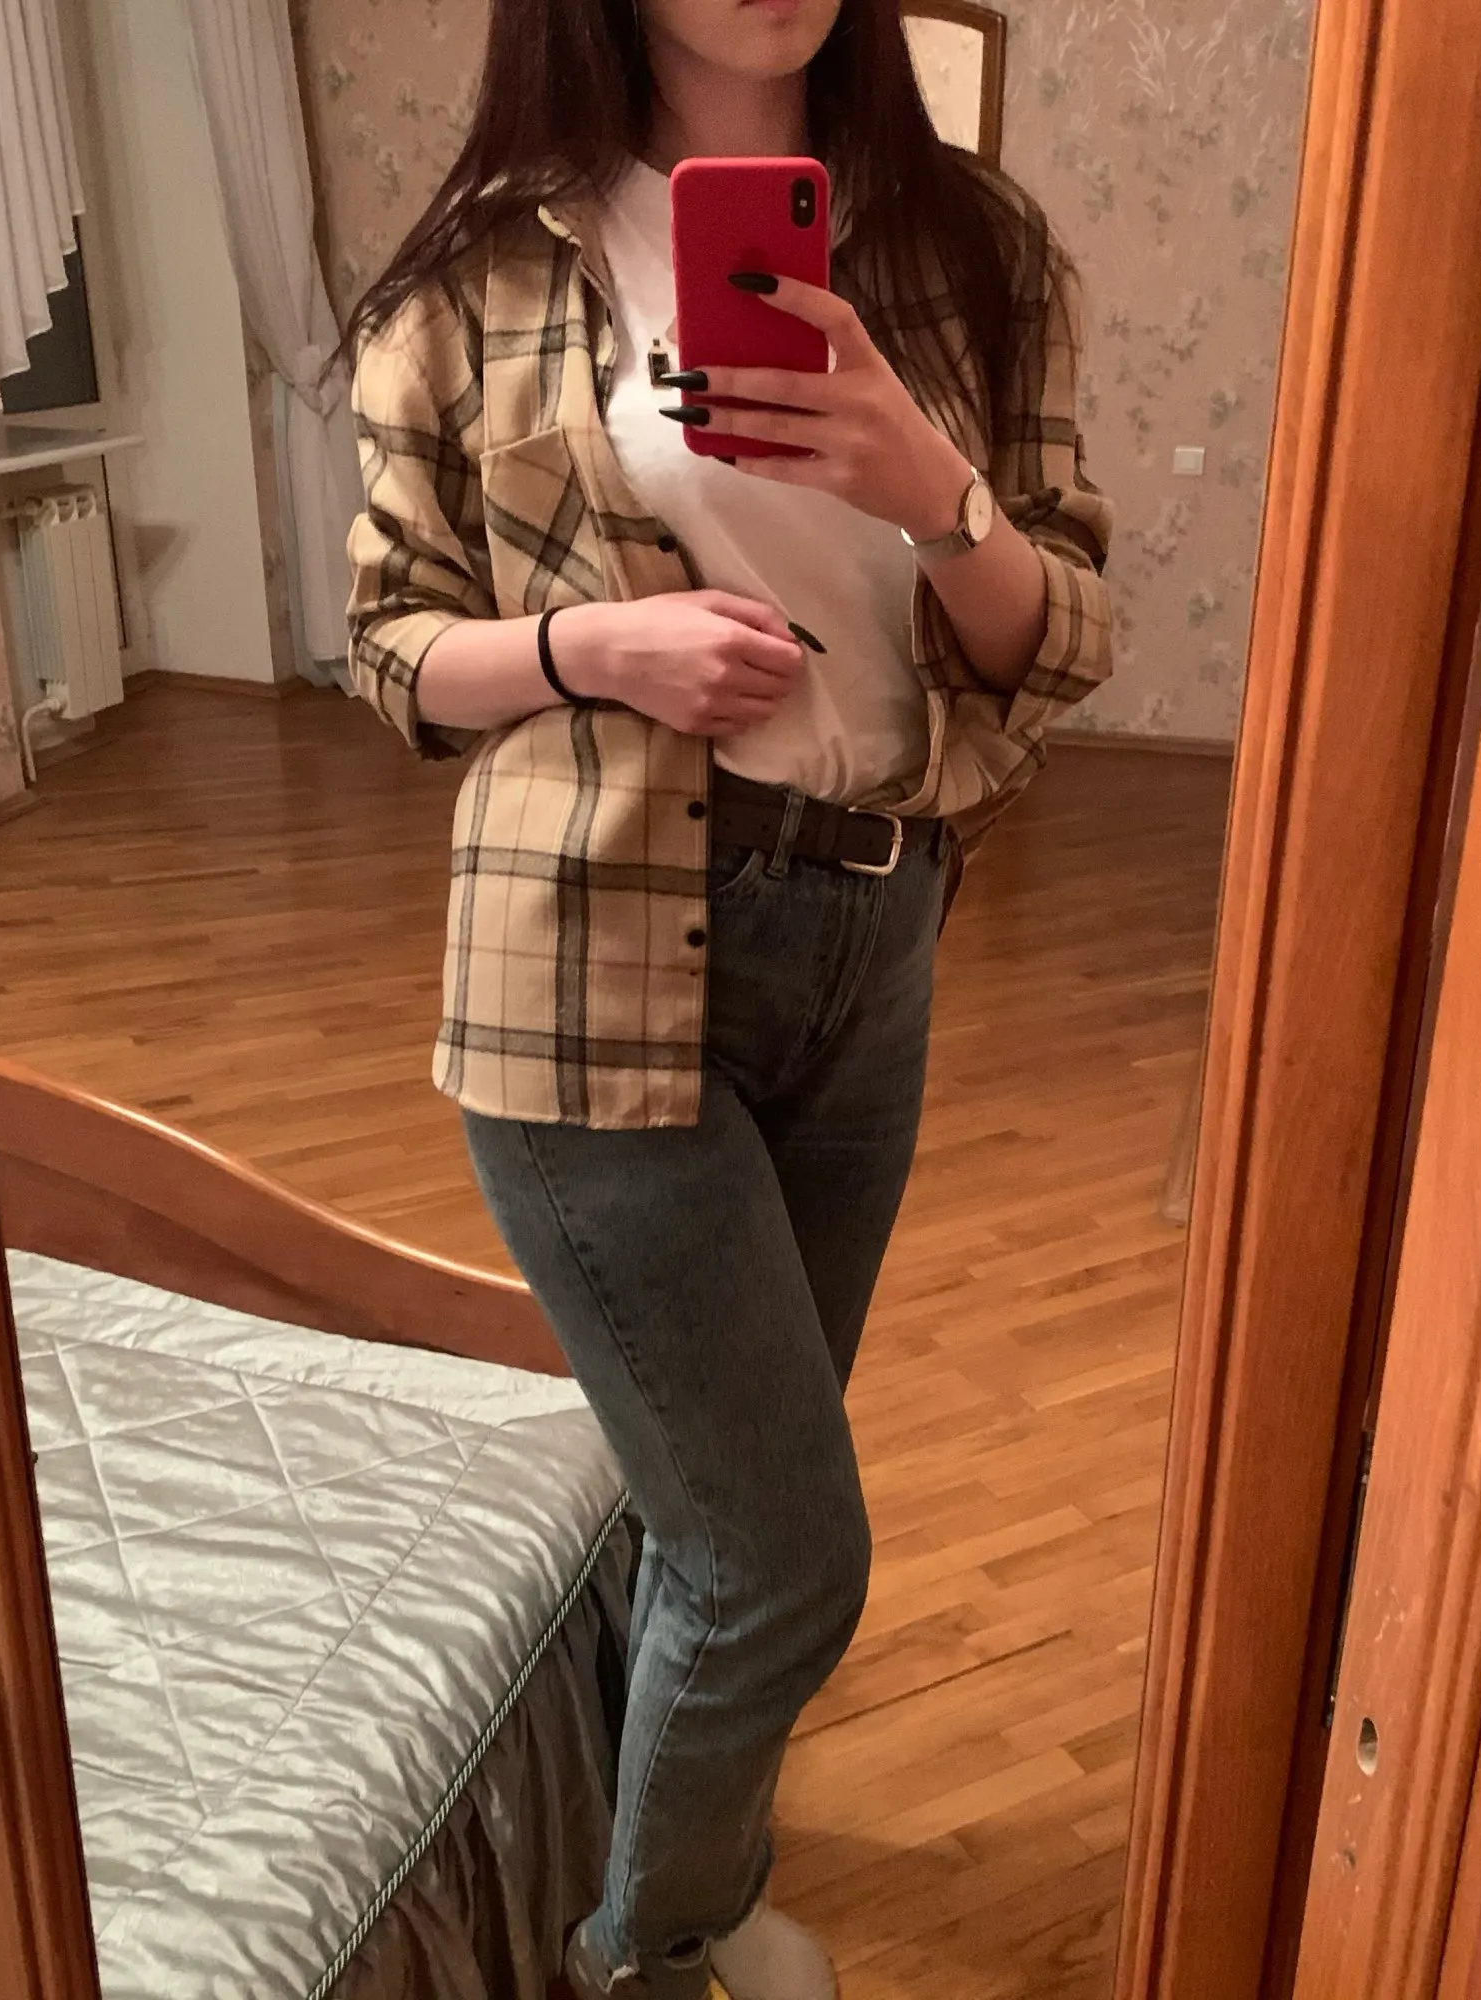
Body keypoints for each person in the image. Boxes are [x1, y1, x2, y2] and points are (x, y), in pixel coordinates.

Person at [344, 1, 1112, 1993]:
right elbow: (390, 649)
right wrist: (597, 649)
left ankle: (624, 1820)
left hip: (878, 931)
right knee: (779, 1554)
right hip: (585, 950)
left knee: (709, 1492)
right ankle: (651, 1949)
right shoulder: (482, 274)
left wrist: (932, 485)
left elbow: (1063, 633)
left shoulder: (971, 249)